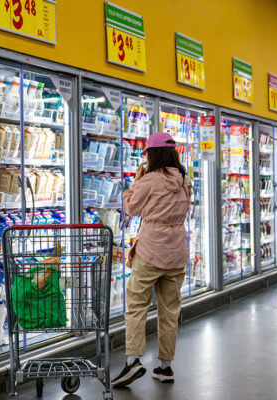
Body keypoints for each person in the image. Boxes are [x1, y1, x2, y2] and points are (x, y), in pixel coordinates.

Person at [111, 132, 191, 388]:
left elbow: (131, 209)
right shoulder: (184, 179)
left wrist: (134, 185)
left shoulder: (149, 180)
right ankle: (165, 367)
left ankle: (133, 360)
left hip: (151, 249)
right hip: (177, 249)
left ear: (152, 155)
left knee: (136, 304)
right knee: (170, 311)